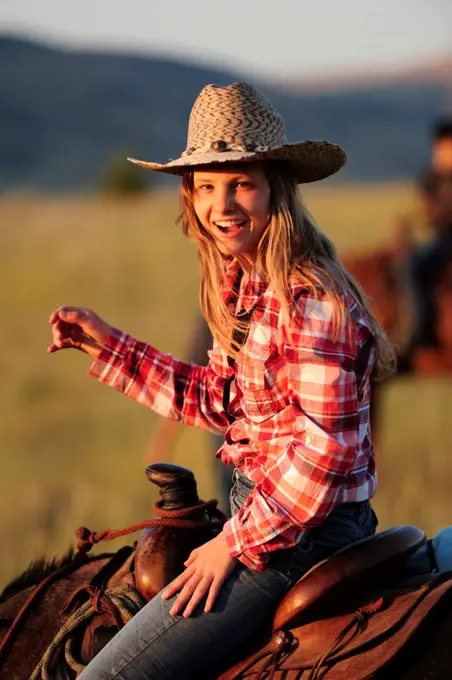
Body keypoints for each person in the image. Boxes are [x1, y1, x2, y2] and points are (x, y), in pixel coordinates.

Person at [48, 82, 395, 680]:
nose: (222, 205)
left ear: (275, 190)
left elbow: (324, 454)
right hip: (272, 520)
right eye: (206, 186)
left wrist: (229, 544)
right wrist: (111, 346)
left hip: (297, 540)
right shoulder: (245, 284)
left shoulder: (309, 299)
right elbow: (224, 401)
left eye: (241, 183)